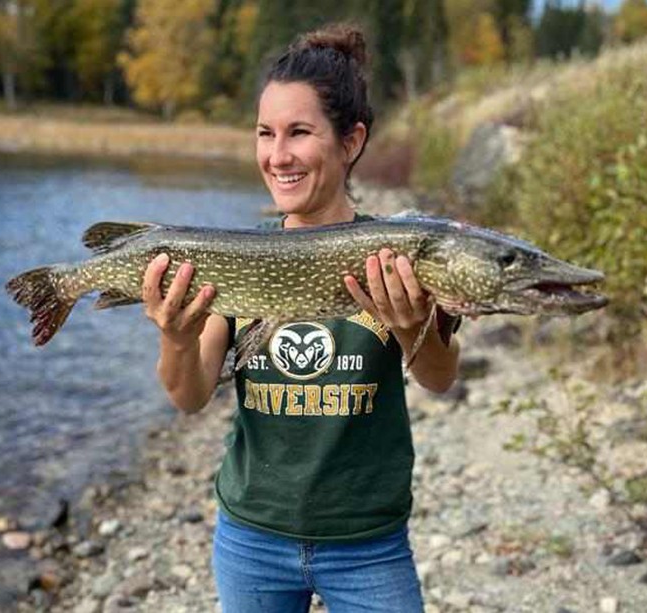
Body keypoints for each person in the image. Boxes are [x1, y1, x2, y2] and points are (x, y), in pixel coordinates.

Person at [141, 23, 460, 613]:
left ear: (350, 141)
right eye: (265, 133)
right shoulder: (236, 258)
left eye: (299, 133)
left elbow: (440, 378)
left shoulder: (396, 254)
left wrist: (416, 328)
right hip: (251, 537)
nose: (276, 155)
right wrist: (175, 336)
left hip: (369, 543)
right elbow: (189, 397)